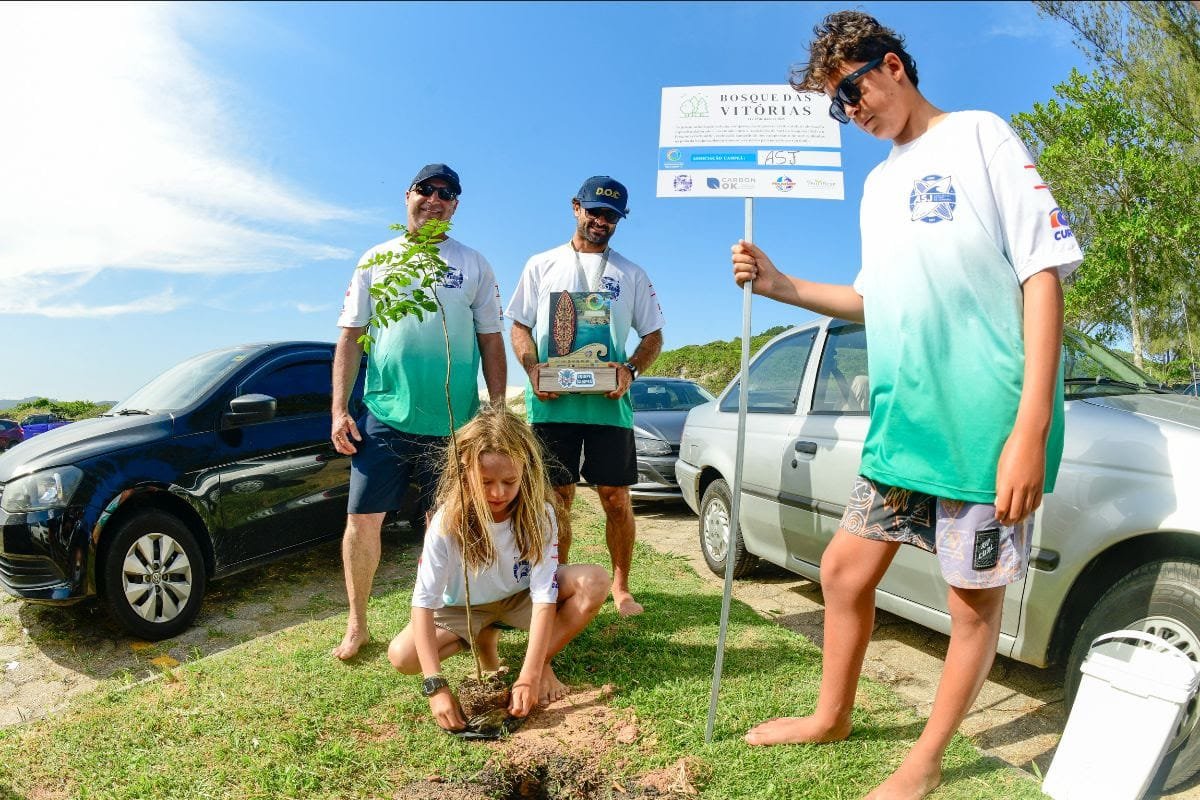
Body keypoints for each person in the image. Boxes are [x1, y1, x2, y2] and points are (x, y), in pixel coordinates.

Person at [730, 11, 1082, 800]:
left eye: (851, 90)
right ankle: (832, 716)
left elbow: (1043, 272)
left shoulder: (982, 135)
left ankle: (924, 762)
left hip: (987, 428)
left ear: (892, 65)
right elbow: (873, 297)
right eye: (836, 104)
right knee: (842, 571)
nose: (848, 111)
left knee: (970, 605)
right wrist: (783, 285)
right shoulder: (877, 185)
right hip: (904, 423)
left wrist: (1030, 429)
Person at [331, 163, 507, 661]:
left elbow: (491, 340)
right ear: (407, 196)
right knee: (362, 521)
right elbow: (351, 337)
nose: (435, 199)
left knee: (444, 526)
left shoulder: (473, 264)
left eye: (446, 194)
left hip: (454, 422)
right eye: (426, 190)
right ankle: (357, 623)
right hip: (384, 414)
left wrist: (496, 411)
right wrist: (339, 410)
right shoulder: (377, 259)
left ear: (455, 206)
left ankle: (440, 621)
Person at [387, 406, 609, 729]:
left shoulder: (541, 515)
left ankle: (539, 660)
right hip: (464, 608)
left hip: (520, 598)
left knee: (595, 581)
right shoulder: (446, 522)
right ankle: (483, 636)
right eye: (486, 481)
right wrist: (435, 685)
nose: (498, 493)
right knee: (402, 656)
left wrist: (531, 674)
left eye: (509, 481)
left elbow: (544, 596)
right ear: (465, 471)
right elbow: (423, 603)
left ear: (526, 470)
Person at [507, 176, 665, 618]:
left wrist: (630, 369)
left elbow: (653, 335)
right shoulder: (541, 264)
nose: (601, 221)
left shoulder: (631, 274)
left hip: (609, 407)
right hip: (552, 405)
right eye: (594, 211)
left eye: (611, 215)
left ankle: (621, 587)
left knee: (615, 498)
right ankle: (556, 583)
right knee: (556, 502)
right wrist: (533, 369)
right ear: (576, 207)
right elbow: (518, 325)